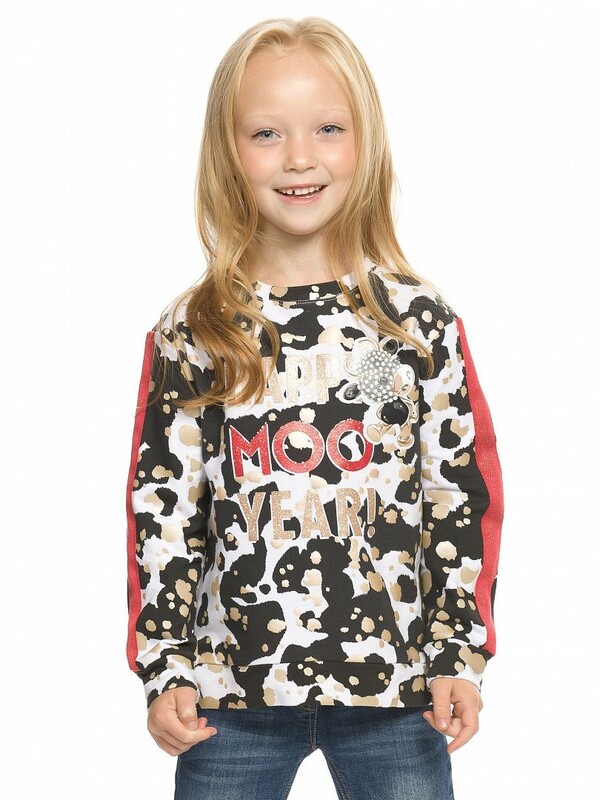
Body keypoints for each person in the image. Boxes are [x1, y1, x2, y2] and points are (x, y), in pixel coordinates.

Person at [125, 16, 504, 800]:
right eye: (267, 133)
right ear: (227, 152)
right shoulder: (195, 330)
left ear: (365, 142)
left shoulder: (413, 324)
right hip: (229, 698)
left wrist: (457, 654)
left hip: (397, 691)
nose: (299, 157)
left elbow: (460, 493)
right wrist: (165, 665)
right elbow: (162, 508)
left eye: (328, 128)